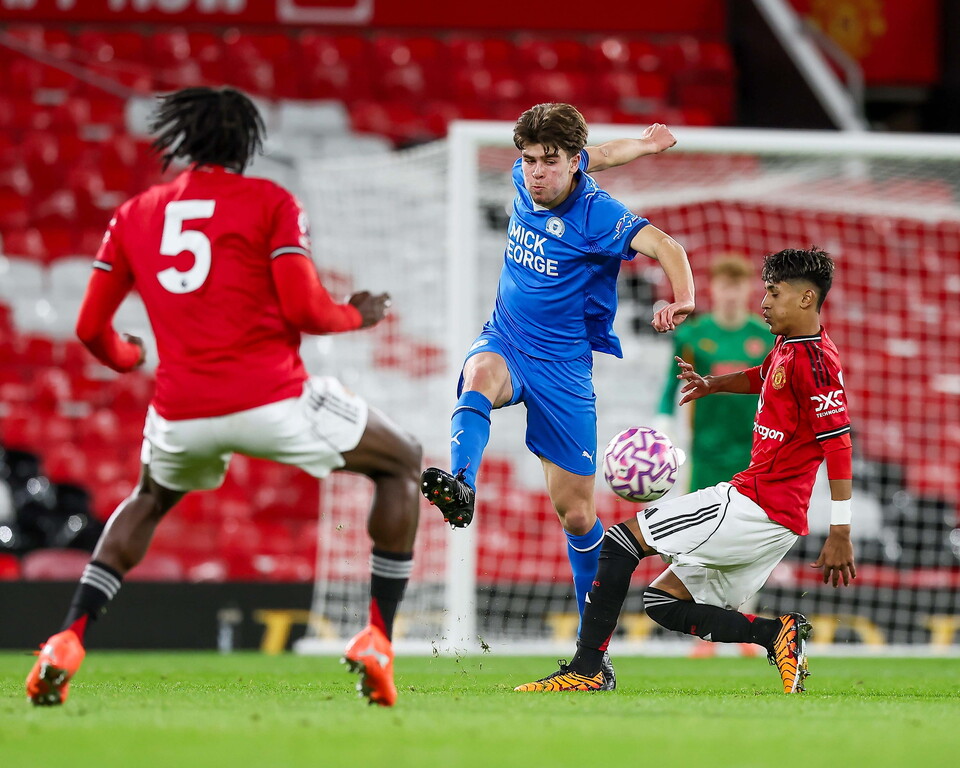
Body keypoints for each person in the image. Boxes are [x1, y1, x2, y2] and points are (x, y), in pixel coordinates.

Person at [25, 87, 420, 708]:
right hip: (274, 400)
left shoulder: (134, 213)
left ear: (182, 141)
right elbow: (303, 309)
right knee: (401, 462)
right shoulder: (271, 201)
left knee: (149, 499)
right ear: (247, 144)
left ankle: (67, 638)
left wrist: (128, 356)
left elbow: (88, 328)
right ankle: (377, 635)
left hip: (182, 412)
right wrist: (355, 314)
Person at [419, 103, 695, 689]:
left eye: (549, 162)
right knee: (479, 375)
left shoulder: (600, 214)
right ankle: (461, 484)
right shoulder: (531, 178)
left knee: (577, 514)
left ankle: (591, 660)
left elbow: (669, 248)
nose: (535, 173)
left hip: (565, 369)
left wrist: (683, 297)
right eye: (528, 160)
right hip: (508, 338)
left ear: (573, 164)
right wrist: (643, 146)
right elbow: (606, 151)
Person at [514, 247, 855, 694]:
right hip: (772, 516)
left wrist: (840, 531)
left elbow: (839, 444)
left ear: (807, 299)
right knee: (662, 601)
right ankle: (775, 635)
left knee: (619, 544)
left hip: (756, 503)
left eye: (773, 293)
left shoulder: (818, 362)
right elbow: (763, 375)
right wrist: (715, 383)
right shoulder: (790, 347)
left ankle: (587, 669)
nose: (764, 303)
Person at [655, 254, 772, 658]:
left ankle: (748, 624)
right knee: (702, 541)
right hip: (705, 454)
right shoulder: (695, 333)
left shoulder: (765, 337)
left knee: (749, 542)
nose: (729, 293)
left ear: (747, 291)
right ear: (713, 289)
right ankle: (702, 633)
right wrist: (664, 423)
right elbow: (670, 386)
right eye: (722, 285)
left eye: (737, 286)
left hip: (753, 454)